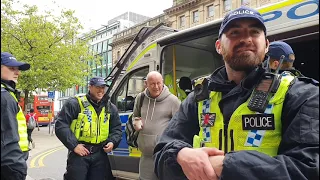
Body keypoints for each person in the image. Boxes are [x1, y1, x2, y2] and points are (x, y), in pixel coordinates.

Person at [154, 6, 319, 180]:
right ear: (218, 46)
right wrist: (180, 154)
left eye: (254, 32)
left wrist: (227, 166)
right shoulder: (199, 97)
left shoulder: (301, 94)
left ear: (267, 45)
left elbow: (309, 169)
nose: (246, 39)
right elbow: (161, 152)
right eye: (234, 33)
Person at [55, 76, 122, 180]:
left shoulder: (110, 107)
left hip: (100, 153)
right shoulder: (75, 103)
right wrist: (74, 146)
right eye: (97, 87)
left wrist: (112, 142)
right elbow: (61, 125)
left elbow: (116, 129)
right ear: (90, 87)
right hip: (80, 153)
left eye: (103, 87)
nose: (101, 90)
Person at [132, 71, 181, 180]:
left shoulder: (173, 101)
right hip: (146, 157)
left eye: (158, 83)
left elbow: (181, 125)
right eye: (152, 84)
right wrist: (135, 122)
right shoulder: (141, 98)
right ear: (146, 84)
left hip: (164, 157)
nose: (156, 87)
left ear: (162, 82)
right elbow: (134, 116)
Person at [1, 52, 31, 180]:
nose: (17, 72)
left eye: (17, 69)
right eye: (11, 68)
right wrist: (17, 168)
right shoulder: (4, 97)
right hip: (9, 166)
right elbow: (8, 138)